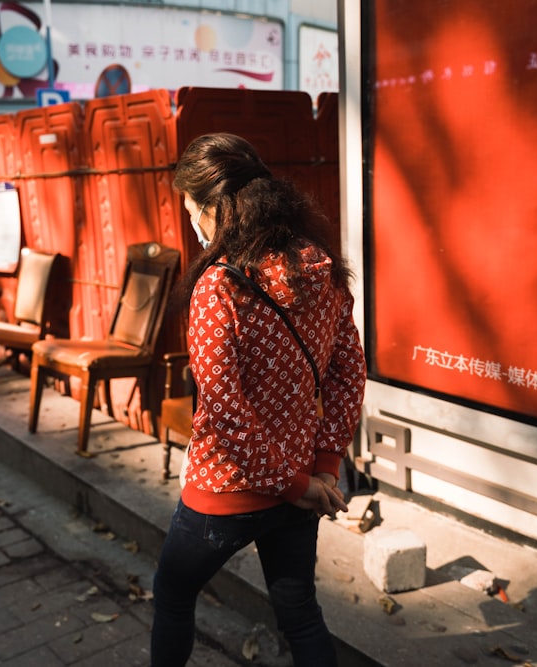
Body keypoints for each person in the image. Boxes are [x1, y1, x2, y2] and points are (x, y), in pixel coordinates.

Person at [150, 133, 367, 667]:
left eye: (192, 210)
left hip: (227, 488)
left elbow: (225, 413)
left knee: (174, 595)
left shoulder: (219, 286)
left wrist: (298, 485)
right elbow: (349, 374)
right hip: (301, 483)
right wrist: (321, 470)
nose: (193, 224)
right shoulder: (319, 267)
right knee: (301, 615)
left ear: (212, 209)